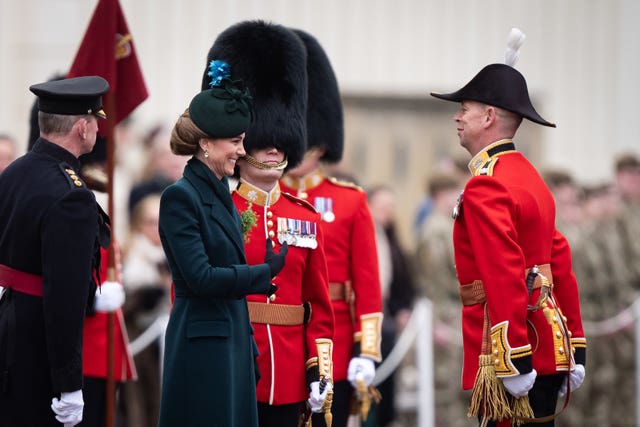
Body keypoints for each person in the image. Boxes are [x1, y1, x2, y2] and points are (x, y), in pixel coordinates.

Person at [430, 28, 587, 426]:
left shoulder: (487, 183)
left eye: (465, 108)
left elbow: (502, 272)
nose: (457, 116)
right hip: (548, 341)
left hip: (515, 347)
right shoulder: (530, 177)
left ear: (488, 117)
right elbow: (559, 261)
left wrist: (513, 356)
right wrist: (575, 346)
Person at [203, 21, 335, 426]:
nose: (275, 146)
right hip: (236, 368)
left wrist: (319, 371)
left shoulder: (305, 216)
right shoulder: (215, 210)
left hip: (292, 377)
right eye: (264, 137)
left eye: (282, 138)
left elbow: (318, 307)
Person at [157, 66, 286, 427]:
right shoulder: (180, 197)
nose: (242, 151)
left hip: (231, 339)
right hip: (202, 344)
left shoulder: (222, 194)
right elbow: (200, 277)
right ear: (205, 143)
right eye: (234, 142)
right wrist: (263, 273)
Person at [280, 29, 383, 427]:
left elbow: (368, 285)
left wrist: (367, 350)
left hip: (336, 344)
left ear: (320, 146)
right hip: (283, 339)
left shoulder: (350, 201)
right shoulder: (265, 200)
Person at [0, 76, 111, 427]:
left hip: (8, 319)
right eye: (95, 120)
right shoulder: (72, 195)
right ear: (81, 127)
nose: (97, 129)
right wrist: (69, 385)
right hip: (38, 341)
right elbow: (65, 298)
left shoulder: (14, 172)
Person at [412, 172, 469, 427]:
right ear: (438, 196)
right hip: (445, 312)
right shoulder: (435, 229)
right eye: (450, 194)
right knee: (447, 387)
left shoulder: (448, 225)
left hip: (454, 310)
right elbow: (435, 279)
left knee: (460, 384)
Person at [366, 184, 415, 427]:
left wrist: (402, 308)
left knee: (388, 381)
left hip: (386, 315)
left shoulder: (389, 237)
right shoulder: (367, 233)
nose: (387, 211)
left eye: (390, 207)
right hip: (370, 314)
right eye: (382, 206)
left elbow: (401, 277)